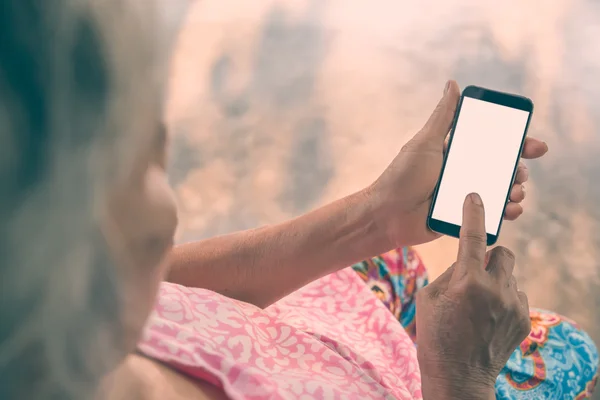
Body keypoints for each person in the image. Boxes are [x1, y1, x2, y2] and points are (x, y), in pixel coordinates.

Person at [0, 1, 597, 399]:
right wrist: (461, 375)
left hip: (329, 322)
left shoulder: (69, 317)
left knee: (402, 269)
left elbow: (171, 293)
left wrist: (374, 215)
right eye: (140, 166)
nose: (167, 221)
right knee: (570, 349)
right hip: (424, 373)